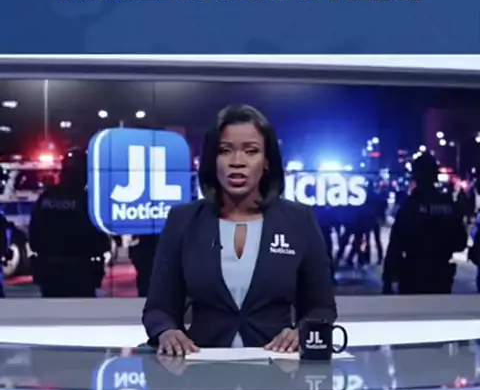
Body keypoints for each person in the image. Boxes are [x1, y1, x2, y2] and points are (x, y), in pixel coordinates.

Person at [143, 105, 337, 354]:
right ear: (212, 160)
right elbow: (158, 309)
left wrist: (303, 331)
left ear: (267, 161)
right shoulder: (183, 221)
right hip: (201, 365)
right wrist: (166, 331)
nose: (237, 162)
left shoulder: (299, 220)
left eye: (251, 151)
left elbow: (322, 307)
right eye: (225, 151)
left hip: (278, 365)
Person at [29, 148, 111, 297]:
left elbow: (34, 233)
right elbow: (100, 240)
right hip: (80, 272)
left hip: (50, 271)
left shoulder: (47, 196)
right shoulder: (87, 200)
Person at [382, 152, 467, 295]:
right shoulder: (448, 204)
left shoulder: (411, 205)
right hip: (441, 274)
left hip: (414, 274)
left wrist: (388, 278)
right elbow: (460, 242)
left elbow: (396, 243)